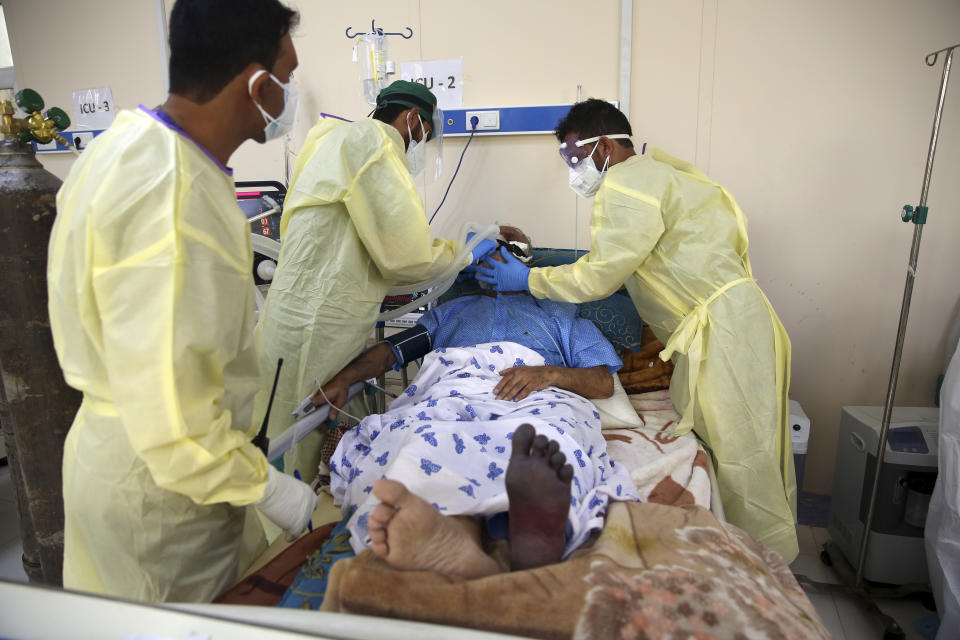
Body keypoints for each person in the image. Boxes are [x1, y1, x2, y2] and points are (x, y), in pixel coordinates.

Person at [47, 0, 318, 602]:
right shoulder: (175, 206)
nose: (290, 95)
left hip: (120, 457)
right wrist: (283, 496)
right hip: (163, 497)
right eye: (288, 78)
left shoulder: (126, 145)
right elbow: (177, 424)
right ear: (256, 85)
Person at [477, 99, 798, 562]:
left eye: (574, 157)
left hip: (723, 333)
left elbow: (598, 276)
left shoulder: (626, 184)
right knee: (751, 445)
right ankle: (755, 555)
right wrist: (540, 263)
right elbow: (612, 261)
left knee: (742, 453)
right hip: (733, 323)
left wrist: (526, 278)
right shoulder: (665, 176)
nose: (573, 170)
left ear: (604, 145)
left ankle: (760, 567)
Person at [314, 227, 639, 573]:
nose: (487, 261)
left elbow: (602, 382)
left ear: (521, 262)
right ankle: (455, 531)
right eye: (479, 254)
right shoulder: (451, 313)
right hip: (451, 394)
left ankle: (519, 528)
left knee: (544, 442)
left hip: (537, 400)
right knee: (421, 442)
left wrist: (548, 374)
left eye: (497, 252)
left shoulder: (561, 315)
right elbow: (390, 352)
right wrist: (346, 378)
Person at [253, 80, 496, 481]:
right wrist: (466, 254)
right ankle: (288, 521)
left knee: (275, 415)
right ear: (414, 118)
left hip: (289, 309)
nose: (418, 147)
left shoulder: (329, 140)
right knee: (298, 428)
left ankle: (280, 513)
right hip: (321, 321)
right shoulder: (379, 147)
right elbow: (406, 255)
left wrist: (453, 254)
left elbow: (373, 234)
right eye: (424, 137)